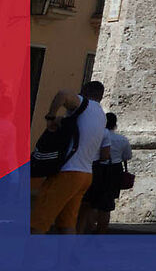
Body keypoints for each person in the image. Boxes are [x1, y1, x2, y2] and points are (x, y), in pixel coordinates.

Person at [29, 87, 96, 233]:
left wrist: (51, 117)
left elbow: (62, 94)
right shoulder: (100, 116)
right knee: (67, 224)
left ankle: (30, 256)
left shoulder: (83, 104)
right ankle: (65, 257)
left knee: (39, 222)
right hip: (85, 174)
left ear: (84, 94)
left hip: (67, 173)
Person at [81, 110, 132, 232]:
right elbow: (127, 156)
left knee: (90, 202)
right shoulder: (122, 140)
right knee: (106, 205)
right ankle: (100, 233)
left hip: (95, 168)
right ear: (115, 124)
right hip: (114, 171)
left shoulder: (97, 136)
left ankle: (89, 228)